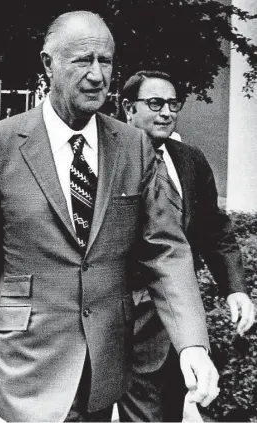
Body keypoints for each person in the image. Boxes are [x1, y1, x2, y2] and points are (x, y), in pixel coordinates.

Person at [0, 12, 219, 423]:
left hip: (104, 361)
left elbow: (165, 249)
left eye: (105, 61)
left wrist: (193, 344)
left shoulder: (133, 146)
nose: (97, 75)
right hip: (27, 362)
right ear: (47, 64)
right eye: (82, 61)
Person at [119, 69, 255, 422]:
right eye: (154, 103)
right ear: (127, 108)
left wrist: (235, 289)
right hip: (123, 327)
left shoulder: (190, 160)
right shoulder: (110, 161)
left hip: (178, 330)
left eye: (173, 104)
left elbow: (215, 230)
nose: (166, 112)